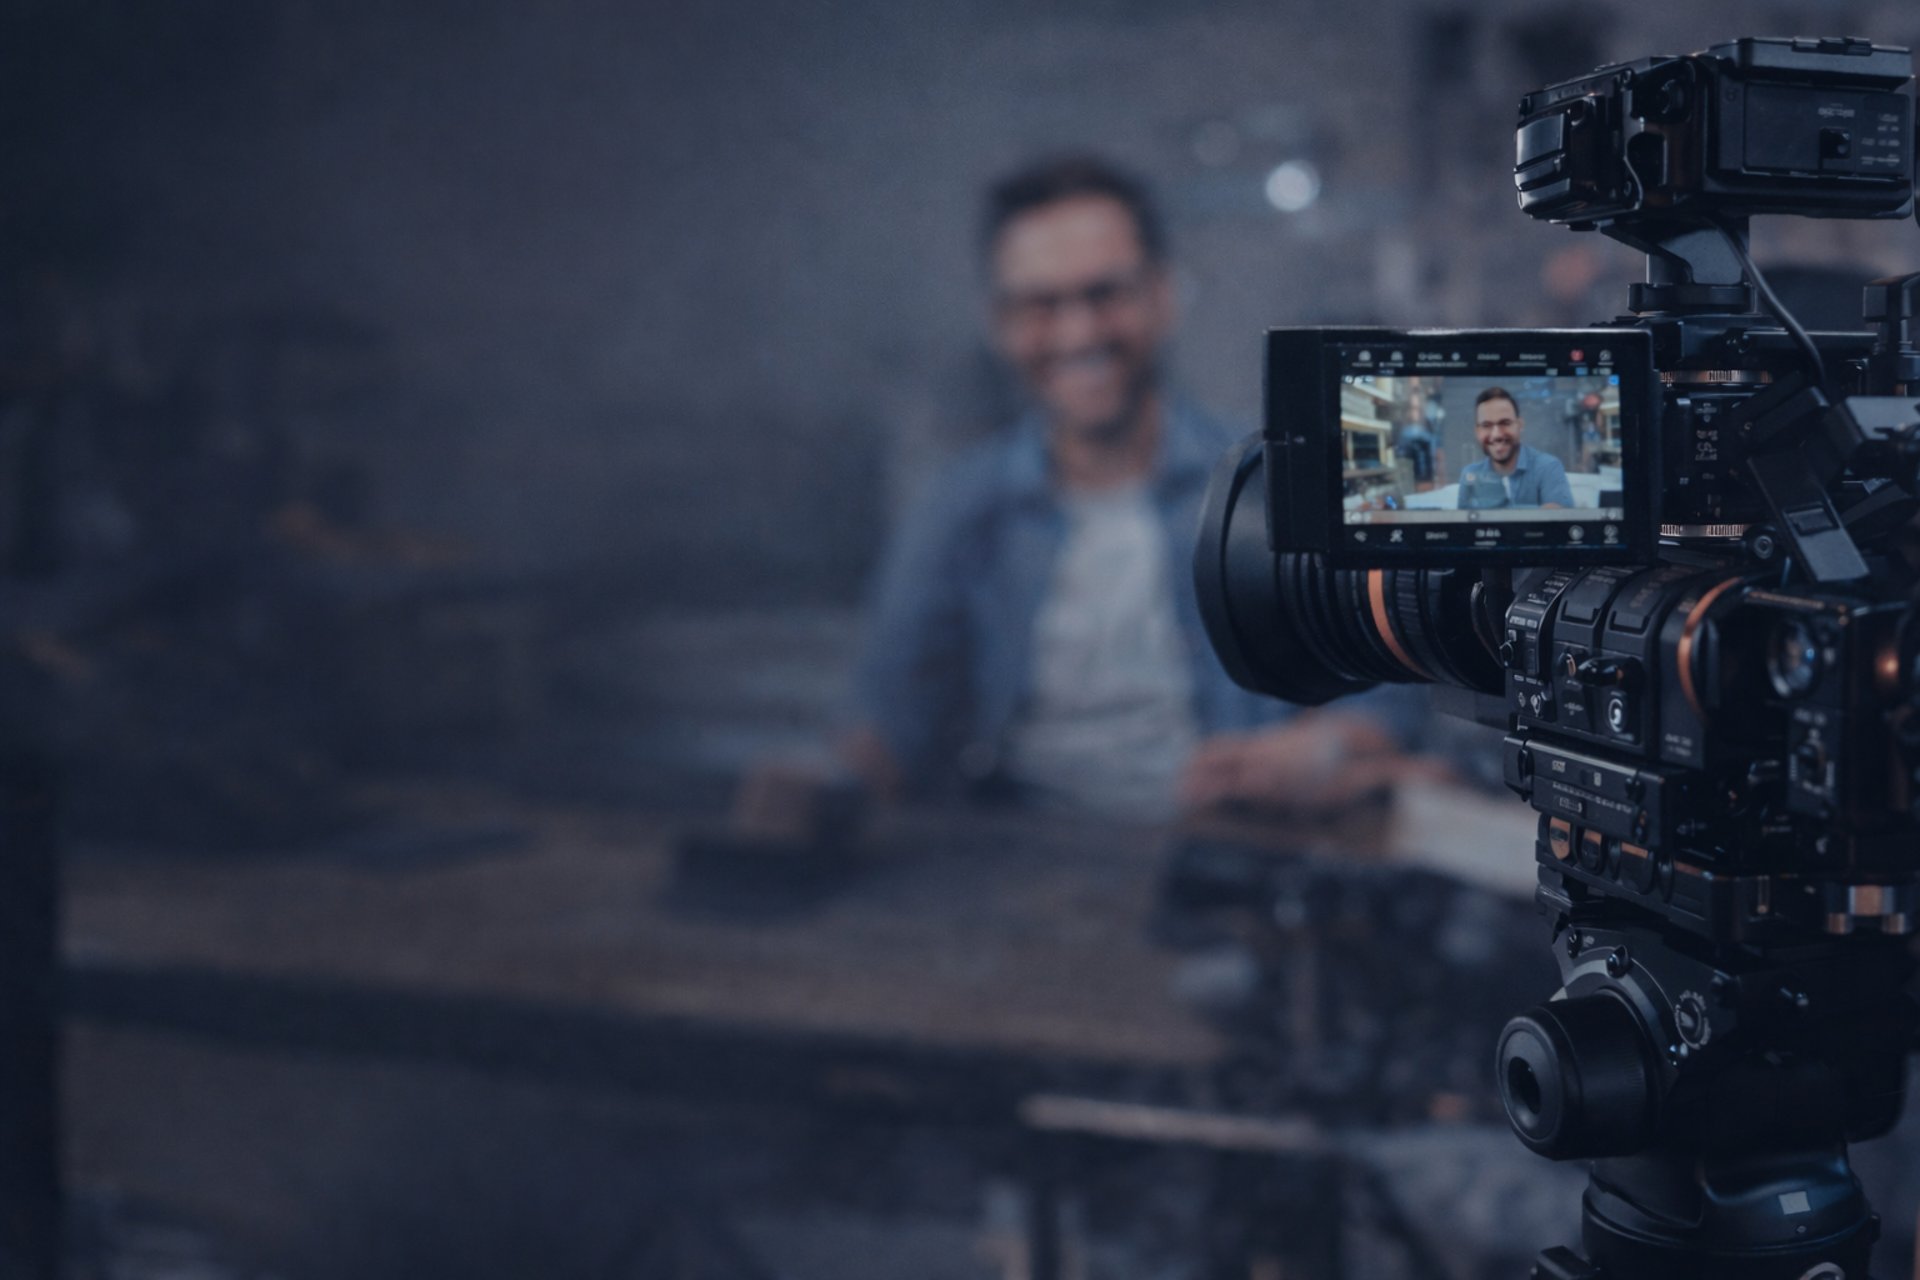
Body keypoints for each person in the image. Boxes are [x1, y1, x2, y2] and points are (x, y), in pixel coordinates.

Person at [774, 154, 1432, 825]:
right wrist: (820, 785)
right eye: (1041, 304)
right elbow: (887, 726)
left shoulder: (1280, 486)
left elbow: (1385, 703)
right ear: (1001, 324)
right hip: (1015, 871)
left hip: (1230, 858)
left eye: (1103, 295)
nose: (1078, 333)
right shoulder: (960, 510)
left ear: (1163, 296)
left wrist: (1317, 751)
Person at [1454, 386, 1574, 510]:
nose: (1496, 435)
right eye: (1486, 425)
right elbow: (1463, 527)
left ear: (1520, 425)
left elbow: (1559, 519)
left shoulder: (1548, 467)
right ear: (1477, 431)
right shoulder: (1470, 474)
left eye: (1505, 423)